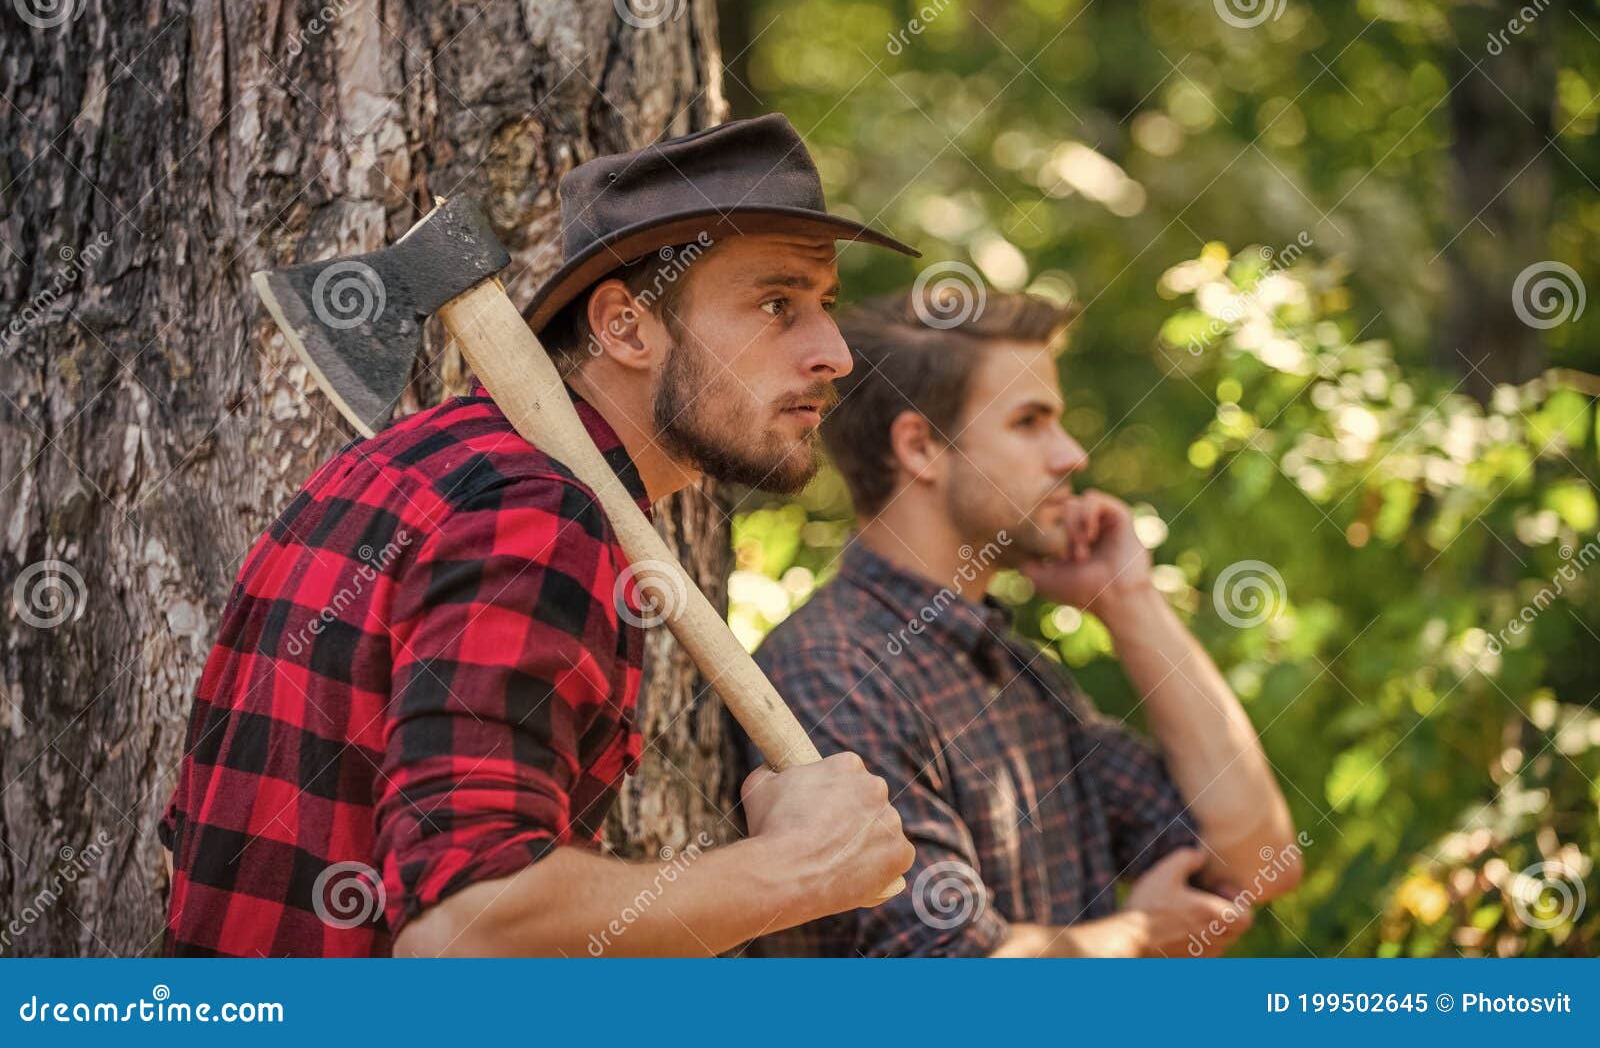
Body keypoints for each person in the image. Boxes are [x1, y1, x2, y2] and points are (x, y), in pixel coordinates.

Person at [160, 115, 916, 956]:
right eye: (777, 303)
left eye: (827, 306)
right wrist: (799, 869)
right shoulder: (532, 516)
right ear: (626, 328)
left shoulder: (410, 471)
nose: (836, 353)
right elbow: (467, 936)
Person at [737, 289, 1302, 956]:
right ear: (921, 447)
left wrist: (1130, 601)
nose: (1071, 456)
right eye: (1030, 421)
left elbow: (1254, 860)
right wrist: (1139, 939)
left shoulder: (1024, 676)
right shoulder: (831, 670)